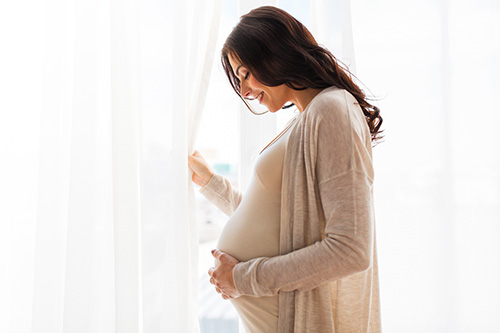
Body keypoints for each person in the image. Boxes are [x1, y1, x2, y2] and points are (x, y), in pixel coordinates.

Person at [188, 5, 383, 333]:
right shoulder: (308, 119)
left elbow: (351, 250)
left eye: (245, 74)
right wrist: (210, 183)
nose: (245, 91)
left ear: (273, 53)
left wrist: (242, 279)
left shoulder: (332, 111)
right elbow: (280, 223)